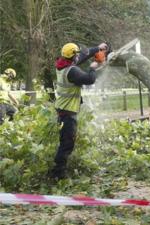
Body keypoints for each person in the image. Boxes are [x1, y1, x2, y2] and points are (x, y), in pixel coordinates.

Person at [49, 42, 108, 179]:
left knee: (66, 142)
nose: (78, 57)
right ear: (73, 57)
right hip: (68, 113)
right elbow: (89, 79)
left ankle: (58, 171)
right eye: (76, 54)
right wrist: (93, 67)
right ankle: (58, 174)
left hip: (64, 110)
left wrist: (97, 49)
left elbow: (81, 56)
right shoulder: (72, 71)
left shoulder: (62, 64)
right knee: (67, 144)